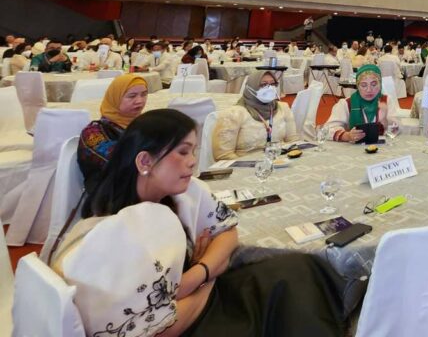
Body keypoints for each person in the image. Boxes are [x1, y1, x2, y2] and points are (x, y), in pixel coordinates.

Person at [52, 110, 362, 337]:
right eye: (182, 152)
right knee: (284, 302)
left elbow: (227, 232)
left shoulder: (185, 191)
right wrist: (210, 276)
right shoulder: (112, 232)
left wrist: (198, 272)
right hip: (189, 324)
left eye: (194, 151)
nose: (192, 161)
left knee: (299, 268)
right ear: (145, 161)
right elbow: (162, 329)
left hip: (201, 296)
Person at [77, 73, 150, 189]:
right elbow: (122, 162)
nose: (139, 101)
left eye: (144, 94)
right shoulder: (93, 133)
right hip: (110, 194)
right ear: (115, 98)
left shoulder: (144, 124)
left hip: (144, 188)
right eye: (132, 96)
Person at [212, 72, 299, 160]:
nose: (269, 88)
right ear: (251, 88)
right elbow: (223, 155)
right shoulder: (233, 114)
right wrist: (253, 165)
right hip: (245, 165)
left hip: (280, 161)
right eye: (263, 84)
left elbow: (292, 141)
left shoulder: (283, 108)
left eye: (272, 84)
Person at [326, 64, 391, 143]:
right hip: (353, 149)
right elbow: (328, 130)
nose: (369, 90)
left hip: (383, 149)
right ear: (357, 86)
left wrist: (386, 121)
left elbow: (398, 130)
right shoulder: (346, 104)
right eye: (363, 85)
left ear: (380, 84)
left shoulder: (386, 101)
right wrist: (347, 135)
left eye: (374, 84)